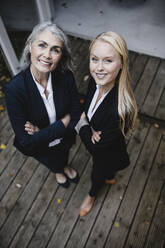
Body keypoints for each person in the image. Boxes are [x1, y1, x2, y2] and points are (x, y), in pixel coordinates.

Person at [5, 22, 81, 188]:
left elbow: (76, 112)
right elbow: (26, 141)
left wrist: (42, 132)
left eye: (55, 49)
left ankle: (64, 167)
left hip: (64, 139)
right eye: (42, 45)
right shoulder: (14, 90)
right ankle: (59, 172)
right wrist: (63, 122)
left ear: (61, 55)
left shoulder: (66, 77)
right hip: (42, 148)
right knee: (52, 161)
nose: (47, 55)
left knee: (63, 154)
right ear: (30, 46)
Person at [75, 31, 137, 216]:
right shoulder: (96, 81)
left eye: (108, 61)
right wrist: (87, 122)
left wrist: (82, 123)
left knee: (98, 173)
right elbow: (87, 104)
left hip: (107, 151)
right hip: (101, 139)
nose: (99, 68)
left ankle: (92, 195)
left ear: (121, 64)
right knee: (108, 172)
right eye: (95, 59)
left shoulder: (122, 109)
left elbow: (98, 146)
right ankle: (110, 177)